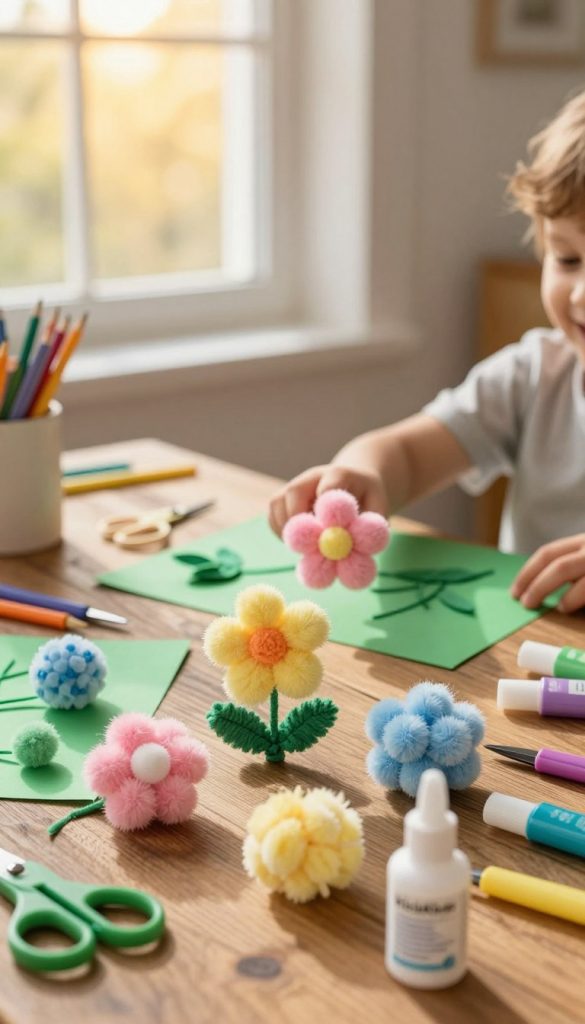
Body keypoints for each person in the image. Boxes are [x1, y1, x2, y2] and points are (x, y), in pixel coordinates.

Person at [270, 88, 585, 615]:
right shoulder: (533, 375)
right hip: (529, 664)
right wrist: (361, 474)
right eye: (568, 258)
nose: (579, 295)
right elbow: (409, 455)